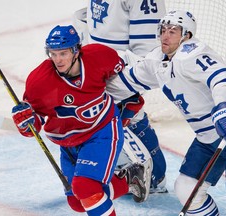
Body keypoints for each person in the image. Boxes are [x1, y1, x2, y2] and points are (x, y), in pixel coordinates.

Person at [108, 10, 226, 215]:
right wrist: (84, 95)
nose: (166, 35)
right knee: (187, 190)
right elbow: (124, 83)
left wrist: (224, 108)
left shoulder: (193, 53)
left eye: (173, 31)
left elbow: (223, 79)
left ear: (186, 35)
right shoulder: (157, 60)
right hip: (208, 137)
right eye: (163, 30)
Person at [11, 25, 152, 216]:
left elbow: (125, 81)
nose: (58, 60)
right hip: (68, 143)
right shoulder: (39, 82)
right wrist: (25, 122)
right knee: (78, 202)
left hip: (101, 131)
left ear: (76, 50)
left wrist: (129, 107)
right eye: (53, 54)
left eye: (63, 53)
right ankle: (129, 181)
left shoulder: (100, 56)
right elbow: (34, 126)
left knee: (85, 187)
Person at [73, 0, 168, 193]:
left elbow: (148, 58)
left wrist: (118, 82)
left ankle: (148, 175)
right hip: (97, 70)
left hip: (116, 73)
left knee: (154, 176)